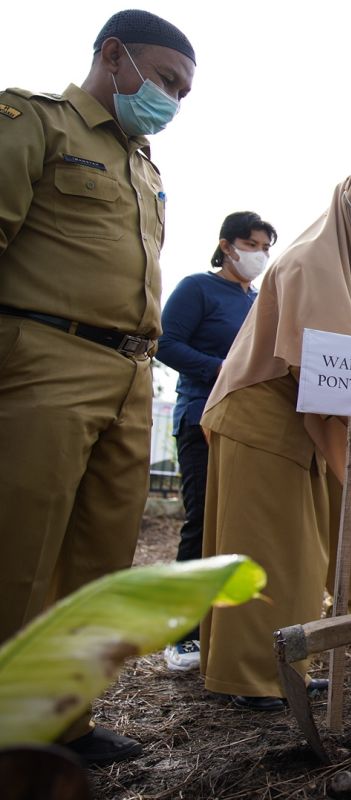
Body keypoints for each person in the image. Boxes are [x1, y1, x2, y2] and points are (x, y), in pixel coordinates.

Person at [0, 9, 195, 765]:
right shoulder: (32, 123)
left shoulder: (145, 166)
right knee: (19, 554)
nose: (172, 101)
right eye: (166, 81)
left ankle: (64, 725)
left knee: (100, 561)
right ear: (114, 57)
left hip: (130, 374)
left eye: (184, 92)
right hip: (43, 357)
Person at [199, 168, 351, 711]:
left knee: (298, 556)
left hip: (295, 421)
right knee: (265, 555)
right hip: (262, 418)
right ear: (347, 208)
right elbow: (320, 366)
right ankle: (252, 678)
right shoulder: (312, 262)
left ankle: (279, 666)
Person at [155, 211, 277, 671]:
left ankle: (228, 629)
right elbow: (165, 344)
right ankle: (184, 634)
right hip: (201, 418)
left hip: (252, 426)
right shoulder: (198, 288)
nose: (259, 255)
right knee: (203, 522)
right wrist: (220, 368)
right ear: (227, 246)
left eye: (266, 246)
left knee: (240, 528)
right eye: (251, 244)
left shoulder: (262, 300)